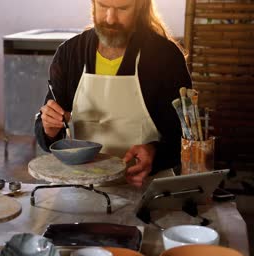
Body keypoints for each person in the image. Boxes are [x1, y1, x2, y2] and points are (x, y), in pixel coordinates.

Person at [35, 0, 192, 187]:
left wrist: (155, 154)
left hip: (146, 188)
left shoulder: (165, 57)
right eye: (102, 6)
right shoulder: (70, 53)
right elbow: (48, 130)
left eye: (122, 9)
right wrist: (49, 129)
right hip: (80, 187)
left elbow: (188, 137)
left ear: (140, 7)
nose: (110, 18)